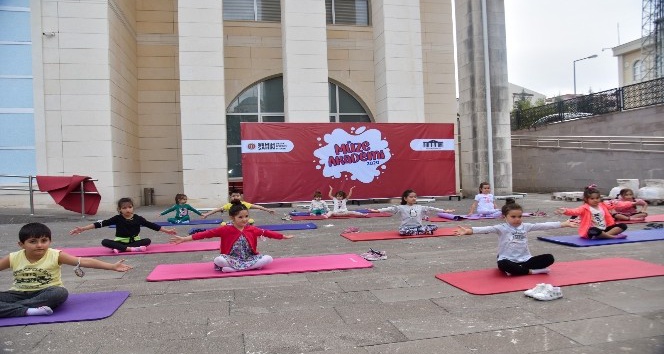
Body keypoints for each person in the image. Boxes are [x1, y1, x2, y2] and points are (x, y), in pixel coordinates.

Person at [0, 222, 132, 318]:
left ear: (50, 241)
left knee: (60, 293)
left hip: (47, 292)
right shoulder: (13, 257)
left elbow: (85, 261)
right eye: (33, 241)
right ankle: (29, 310)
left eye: (44, 240)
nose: (39, 245)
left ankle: (13, 309)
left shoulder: (55, 254)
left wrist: (112, 266)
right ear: (21, 244)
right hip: (18, 294)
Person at [455, 199, 577, 276]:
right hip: (507, 259)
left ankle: (518, 270)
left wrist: (563, 224)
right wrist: (469, 231)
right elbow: (485, 229)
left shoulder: (526, 226)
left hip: (525, 260)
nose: (517, 219)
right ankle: (532, 272)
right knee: (502, 264)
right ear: (505, 217)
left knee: (549, 258)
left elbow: (543, 225)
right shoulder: (501, 228)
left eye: (519, 216)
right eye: (513, 217)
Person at [170, 201, 293, 272]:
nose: (244, 219)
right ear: (232, 218)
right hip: (231, 258)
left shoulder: (251, 228)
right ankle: (246, 268)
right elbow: (205, 234)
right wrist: (185, 239)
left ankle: (236, 269)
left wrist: (282, 236)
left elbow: (266, 233)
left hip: (248, 258)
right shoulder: (225, 229)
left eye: (246, 216)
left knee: (269, 258)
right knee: (219, 260)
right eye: (240, 217)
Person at [70, 197, 177, 253]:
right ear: (119, 209)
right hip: (121, 241)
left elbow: (152, 225)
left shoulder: (138, 218)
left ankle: (122, 249)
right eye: (124, 208)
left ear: (133, 207)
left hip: (135, 241)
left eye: (130, 207)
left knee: (147, 241)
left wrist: (167, 231)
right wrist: (83, 229)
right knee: (105, 242)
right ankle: (131, 249)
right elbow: (100, 224)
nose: (127, 209)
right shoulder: (117, 218)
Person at [555, 185, 629, 239]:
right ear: (586, 199)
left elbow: (618, 205)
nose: (595, 200)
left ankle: (605, 235)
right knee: (594, 230)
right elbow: (574, 211)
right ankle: (611, 237)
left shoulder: (602, 205)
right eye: (592, 198)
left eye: (597, 198)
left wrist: (631, 203)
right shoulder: (584, 208)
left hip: (605, 228)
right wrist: (565, 210)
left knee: (623, 226)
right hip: (593, 230)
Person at [370, 189, 455, 236]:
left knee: (435, 226)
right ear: (405, 198)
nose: (414, 198)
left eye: (415, 197)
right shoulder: (401, 207)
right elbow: (389, 209)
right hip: (406, 228)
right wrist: (378, 210)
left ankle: (418, 232)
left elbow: (432, 208)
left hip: (418, 227)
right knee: (402, 232)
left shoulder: (420, 207)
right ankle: (420, 232)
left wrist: (444, 211)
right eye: (411, 197)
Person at [201, 189, 275, 225]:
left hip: (243, 222)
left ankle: (250, 232)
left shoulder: (244, 204)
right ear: (230, 197)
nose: (236, 197)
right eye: (233, 196)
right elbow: (217, 210)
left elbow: (257, 206)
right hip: (234, 223)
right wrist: (206, 214)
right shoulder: (228, 205)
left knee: (251, 221)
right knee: (223, 224)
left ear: (241, 197)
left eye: (237, 196)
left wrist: (268, 210)